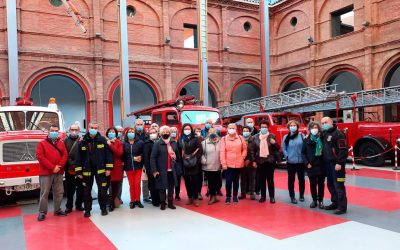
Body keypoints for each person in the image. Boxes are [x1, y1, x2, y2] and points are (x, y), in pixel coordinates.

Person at [75, 121, 113, 217]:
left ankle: (103, 208)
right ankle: (87, 210)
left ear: (98, 129)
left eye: (95, 128)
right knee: (87, 191)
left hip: (101, 171)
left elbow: (108, 155)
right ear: (88, 128)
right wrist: (78, 171)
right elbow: (78, 157)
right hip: (86, 171)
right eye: (92, 127)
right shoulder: (82, 141)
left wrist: (108, 168)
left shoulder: (103, 140)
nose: (93, 130)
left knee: (102, 190)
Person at [36, 124, 68, 221]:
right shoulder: (41, 143)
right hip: (46, 172)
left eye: (56, 131)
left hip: (58, 172)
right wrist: (52, 167)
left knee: (59, 192)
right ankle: (42, 212)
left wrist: (59, 167)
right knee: (44, 193)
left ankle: (57, 210)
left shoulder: (61, 143)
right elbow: (40, 157)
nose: (54, 132)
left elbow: (65, 155)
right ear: (49, 132)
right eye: (52, 130)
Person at [150, 126, 182, 210]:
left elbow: (178, 156)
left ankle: (170, 202)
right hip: (161, 169)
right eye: (163, 132)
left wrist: (178, 166)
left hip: (172, 169)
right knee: (162, 187)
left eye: (167, 132)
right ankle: (163, 203)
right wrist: (154, 170)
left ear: (170, 133)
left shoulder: (174, 143)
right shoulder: (157, 144)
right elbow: (153, 157)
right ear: (160, 134)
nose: (165, 133)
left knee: (171, 187)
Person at [321, 117, 348, 215]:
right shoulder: (324, 133)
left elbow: (343, 150)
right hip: (327, 164)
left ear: (331, 122)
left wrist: (339, 163)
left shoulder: (339, 134)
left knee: (339, 186)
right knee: (330, 185)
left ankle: (342, 207)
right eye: (322, 123)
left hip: (337, 165)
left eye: (326, 122)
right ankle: (335, 202)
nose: (324, 124)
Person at [250, 119, 280, 204]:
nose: (264, 128)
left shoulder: (272, 136)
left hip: (270, 161)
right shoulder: (255, 137)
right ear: (259, 128)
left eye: (265, 127)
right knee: (261, 180)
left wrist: (274, 143)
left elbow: (277, 148)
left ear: (268, 128)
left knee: (270, 180)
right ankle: (263, 196)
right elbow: (252, 150)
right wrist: (253, 161)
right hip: (260, 161)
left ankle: (272, 197)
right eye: (262, 127)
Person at [220, 123, 247, 205]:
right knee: (228, 181)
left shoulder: (241, 138)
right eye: (230, 128)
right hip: (228, 164)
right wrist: (223, 163)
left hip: (238, 163)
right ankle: (228, 196)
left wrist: (242, 157)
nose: (231, 129)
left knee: (236, 181)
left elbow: (245, 149)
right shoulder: (224, 139)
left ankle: (235, 196)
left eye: (233, 128)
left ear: (236, 129)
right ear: (227, 129)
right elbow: (222, 152)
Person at [302, 122, 325, 209]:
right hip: (310, 165)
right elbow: (303, 153)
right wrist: (307, 163)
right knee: (312, 184)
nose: (314, 129)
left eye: (316, 127)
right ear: (310, 129)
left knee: (321, 184)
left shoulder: (322, 138)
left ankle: (320, 200)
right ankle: (314, 200)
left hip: (321, 165)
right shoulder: (306, 140)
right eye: (313, 127)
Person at [282, 120, 305, 204]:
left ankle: (301, 195)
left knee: (301, 179)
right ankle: (292, 196)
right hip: (290, 162)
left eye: (294, 125)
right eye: (291, 125)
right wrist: (287, 156)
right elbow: (283, 148)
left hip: (301, 162)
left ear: (297, 126)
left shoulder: (302, 135)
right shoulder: (286, 137)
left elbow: (305, 147)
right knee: (291, 180)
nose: (293, 127)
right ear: (288, 127)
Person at [180, 124, 203, 206]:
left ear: (191, 130)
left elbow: (200, 150)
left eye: (188, 129)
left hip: (194, 163)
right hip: (185, 164)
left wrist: (195, 159)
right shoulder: (181, 139)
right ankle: (190, 197)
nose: (187, 130)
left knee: (195, 181)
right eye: (185, 129)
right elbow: (179, 150)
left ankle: (195, 198)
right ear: (183, 130)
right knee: (187, 182)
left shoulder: (196, 139)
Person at [64, 123, 84, 213]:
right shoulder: (65, 141)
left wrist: (78, 165)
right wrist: (72, 164)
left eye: (76, 130)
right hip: (69, 168)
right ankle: (69, 206)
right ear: (69, 130)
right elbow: (64, 154)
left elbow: (84, 154)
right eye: (72, 129)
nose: (74, 131)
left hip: (80, 169)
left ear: (79, 131)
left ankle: (79, 205)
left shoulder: (82, 141)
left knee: (80, 188)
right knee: (70, 189)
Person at [123, 127, 145, 209]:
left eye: (132, 132)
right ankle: (132, 200)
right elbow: (122, 155)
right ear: (126, 133)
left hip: (138, 167)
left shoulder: (140, 143)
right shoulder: (124, 143)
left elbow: (144, 153)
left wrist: (141, 157)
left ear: (135, 133)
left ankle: (138, 200)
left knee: (137, 184)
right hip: (128, 167)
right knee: (131, 184)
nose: (131, 133)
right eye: (129, 132)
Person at [201, 127, 222, 205]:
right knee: (211, 182)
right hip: (208, 166)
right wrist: (204, 160)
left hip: (218, 166)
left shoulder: (220, 142)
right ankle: (212, 196)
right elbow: (201, 154)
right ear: (208, 134)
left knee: (218, 182)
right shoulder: (204, 143)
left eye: (214, 132)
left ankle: (215, 195)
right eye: (210, 132)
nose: (212, 133)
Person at [106, 127, 124, 212]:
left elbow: (119, 153)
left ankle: (113, 202)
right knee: (106, 185)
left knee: (115, 185)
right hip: (105, 166)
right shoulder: (104, 142)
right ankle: (108, 201)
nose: (111, 133)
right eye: (110, 132)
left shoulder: (118, 142)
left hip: (116, 166)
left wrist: (111, 145)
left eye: (113, 132)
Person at [143, 127, 161, 206]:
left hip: (160, 167)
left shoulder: (160, 142)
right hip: (151, 168)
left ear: (157, 133)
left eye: (154, 132)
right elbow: (146, 157)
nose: (153, 134)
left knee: (160, 184)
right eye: (151, 133)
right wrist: (148, 169)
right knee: (152, 185)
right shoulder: (147, 143)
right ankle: (155, 201)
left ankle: (161, 199)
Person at [239, 126, 256, 200]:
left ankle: (252, 193)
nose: (245, 132)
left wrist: (250, 160)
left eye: (247, 131)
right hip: (241, 162)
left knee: (251, 179)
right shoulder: (239, 140)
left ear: (250, 132)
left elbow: (255, 151)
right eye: (244, 130)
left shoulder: (253, 140)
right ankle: (243, 194)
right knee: (242, 179)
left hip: (250, 161)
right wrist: (242, 160)